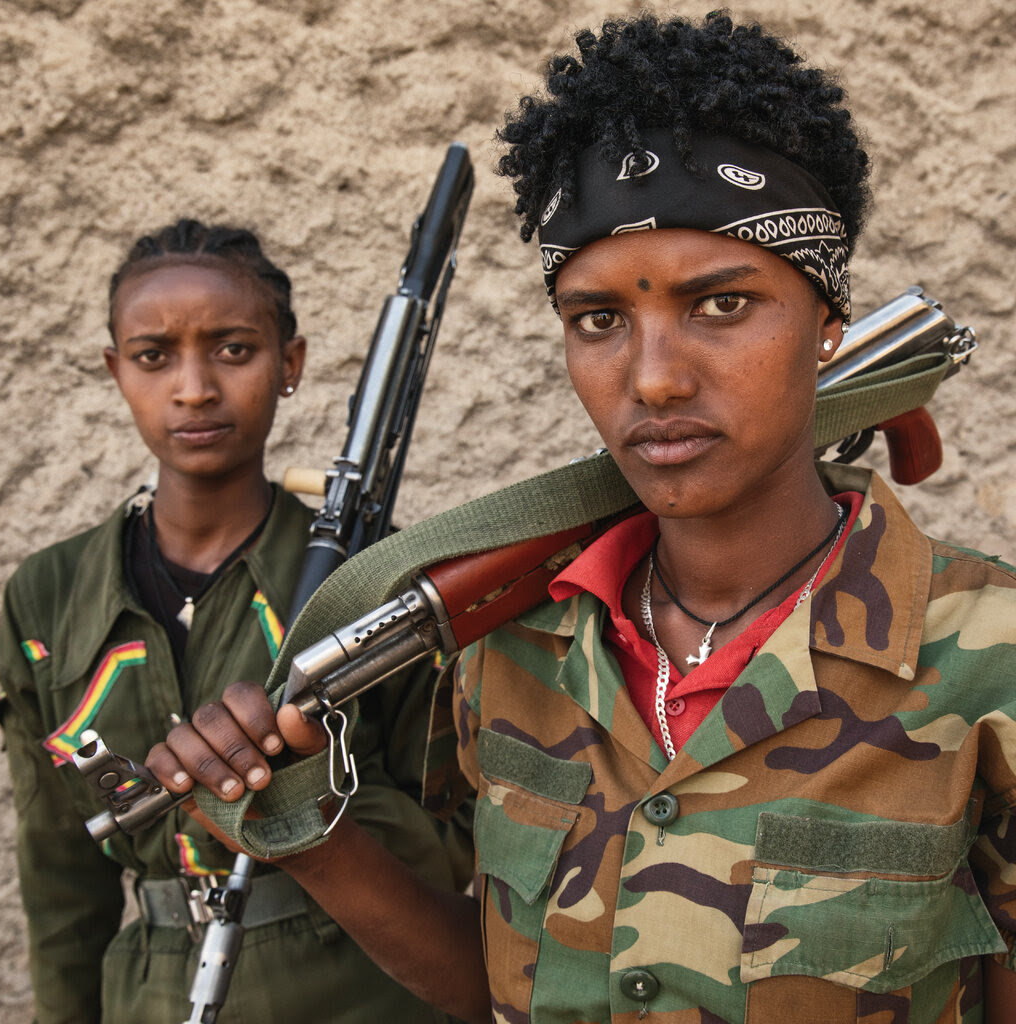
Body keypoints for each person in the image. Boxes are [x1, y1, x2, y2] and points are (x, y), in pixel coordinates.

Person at [145, 14, 1016, 1024]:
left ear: (826, 326)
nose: (651, 376)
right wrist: (305, 826)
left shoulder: (985, 658)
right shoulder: (505, 642)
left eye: (721, 304)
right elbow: (495, 986)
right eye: (597, 319)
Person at [0, 219, 472, 1024]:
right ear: (116, 371)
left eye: (233, 350)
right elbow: (60, 874)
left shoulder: (378, 579)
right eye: (154, 356)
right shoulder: (47, 595)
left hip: (355, 989)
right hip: (145, 997)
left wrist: (309, 796)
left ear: (290, 364)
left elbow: (451, 841)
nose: (194, 388)